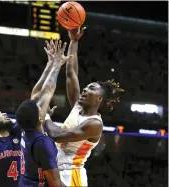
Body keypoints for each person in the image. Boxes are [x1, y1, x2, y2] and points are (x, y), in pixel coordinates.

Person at [45, 28, 124, 187]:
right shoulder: (78, 106)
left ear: (99, 99)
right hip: (55, 169)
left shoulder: (94, 124)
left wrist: (45, 116)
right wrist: (74, 41)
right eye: (86, 87)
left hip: (71, 175)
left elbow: (56, 135)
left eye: (92, 89)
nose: (86, 89)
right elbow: (71, 73)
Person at [16, 39, 73, 187]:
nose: (42, 105)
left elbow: (36, 95)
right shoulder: (43, 143)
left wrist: (50, 64)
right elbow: (55, 184)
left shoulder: (26, 128)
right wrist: (57, 65)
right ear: (40, 119)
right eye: (40, 109)